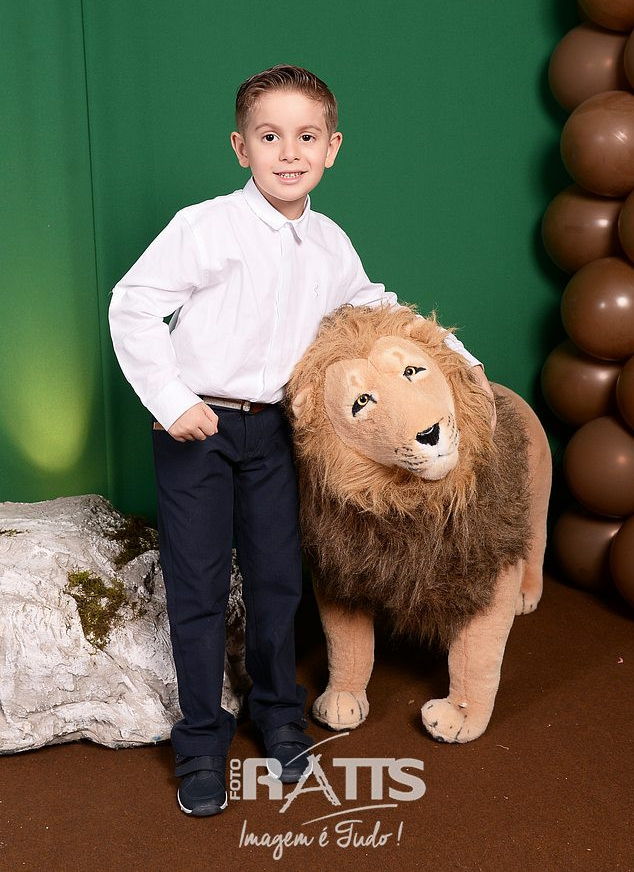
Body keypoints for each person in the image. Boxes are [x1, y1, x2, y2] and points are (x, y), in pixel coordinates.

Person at [108, 64, 495, 817]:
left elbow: (375, 308)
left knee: (279, 580)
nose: (289, 152)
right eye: (270, 136)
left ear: (331, 148)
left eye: (307, 137)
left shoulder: (328, 243)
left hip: (278, 431)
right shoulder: (205, 227)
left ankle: (278, 715)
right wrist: (172, 398)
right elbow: (133, 304)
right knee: (197, 587)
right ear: (241, 147)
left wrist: (460, 357)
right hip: (199, 427)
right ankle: (200, 741)